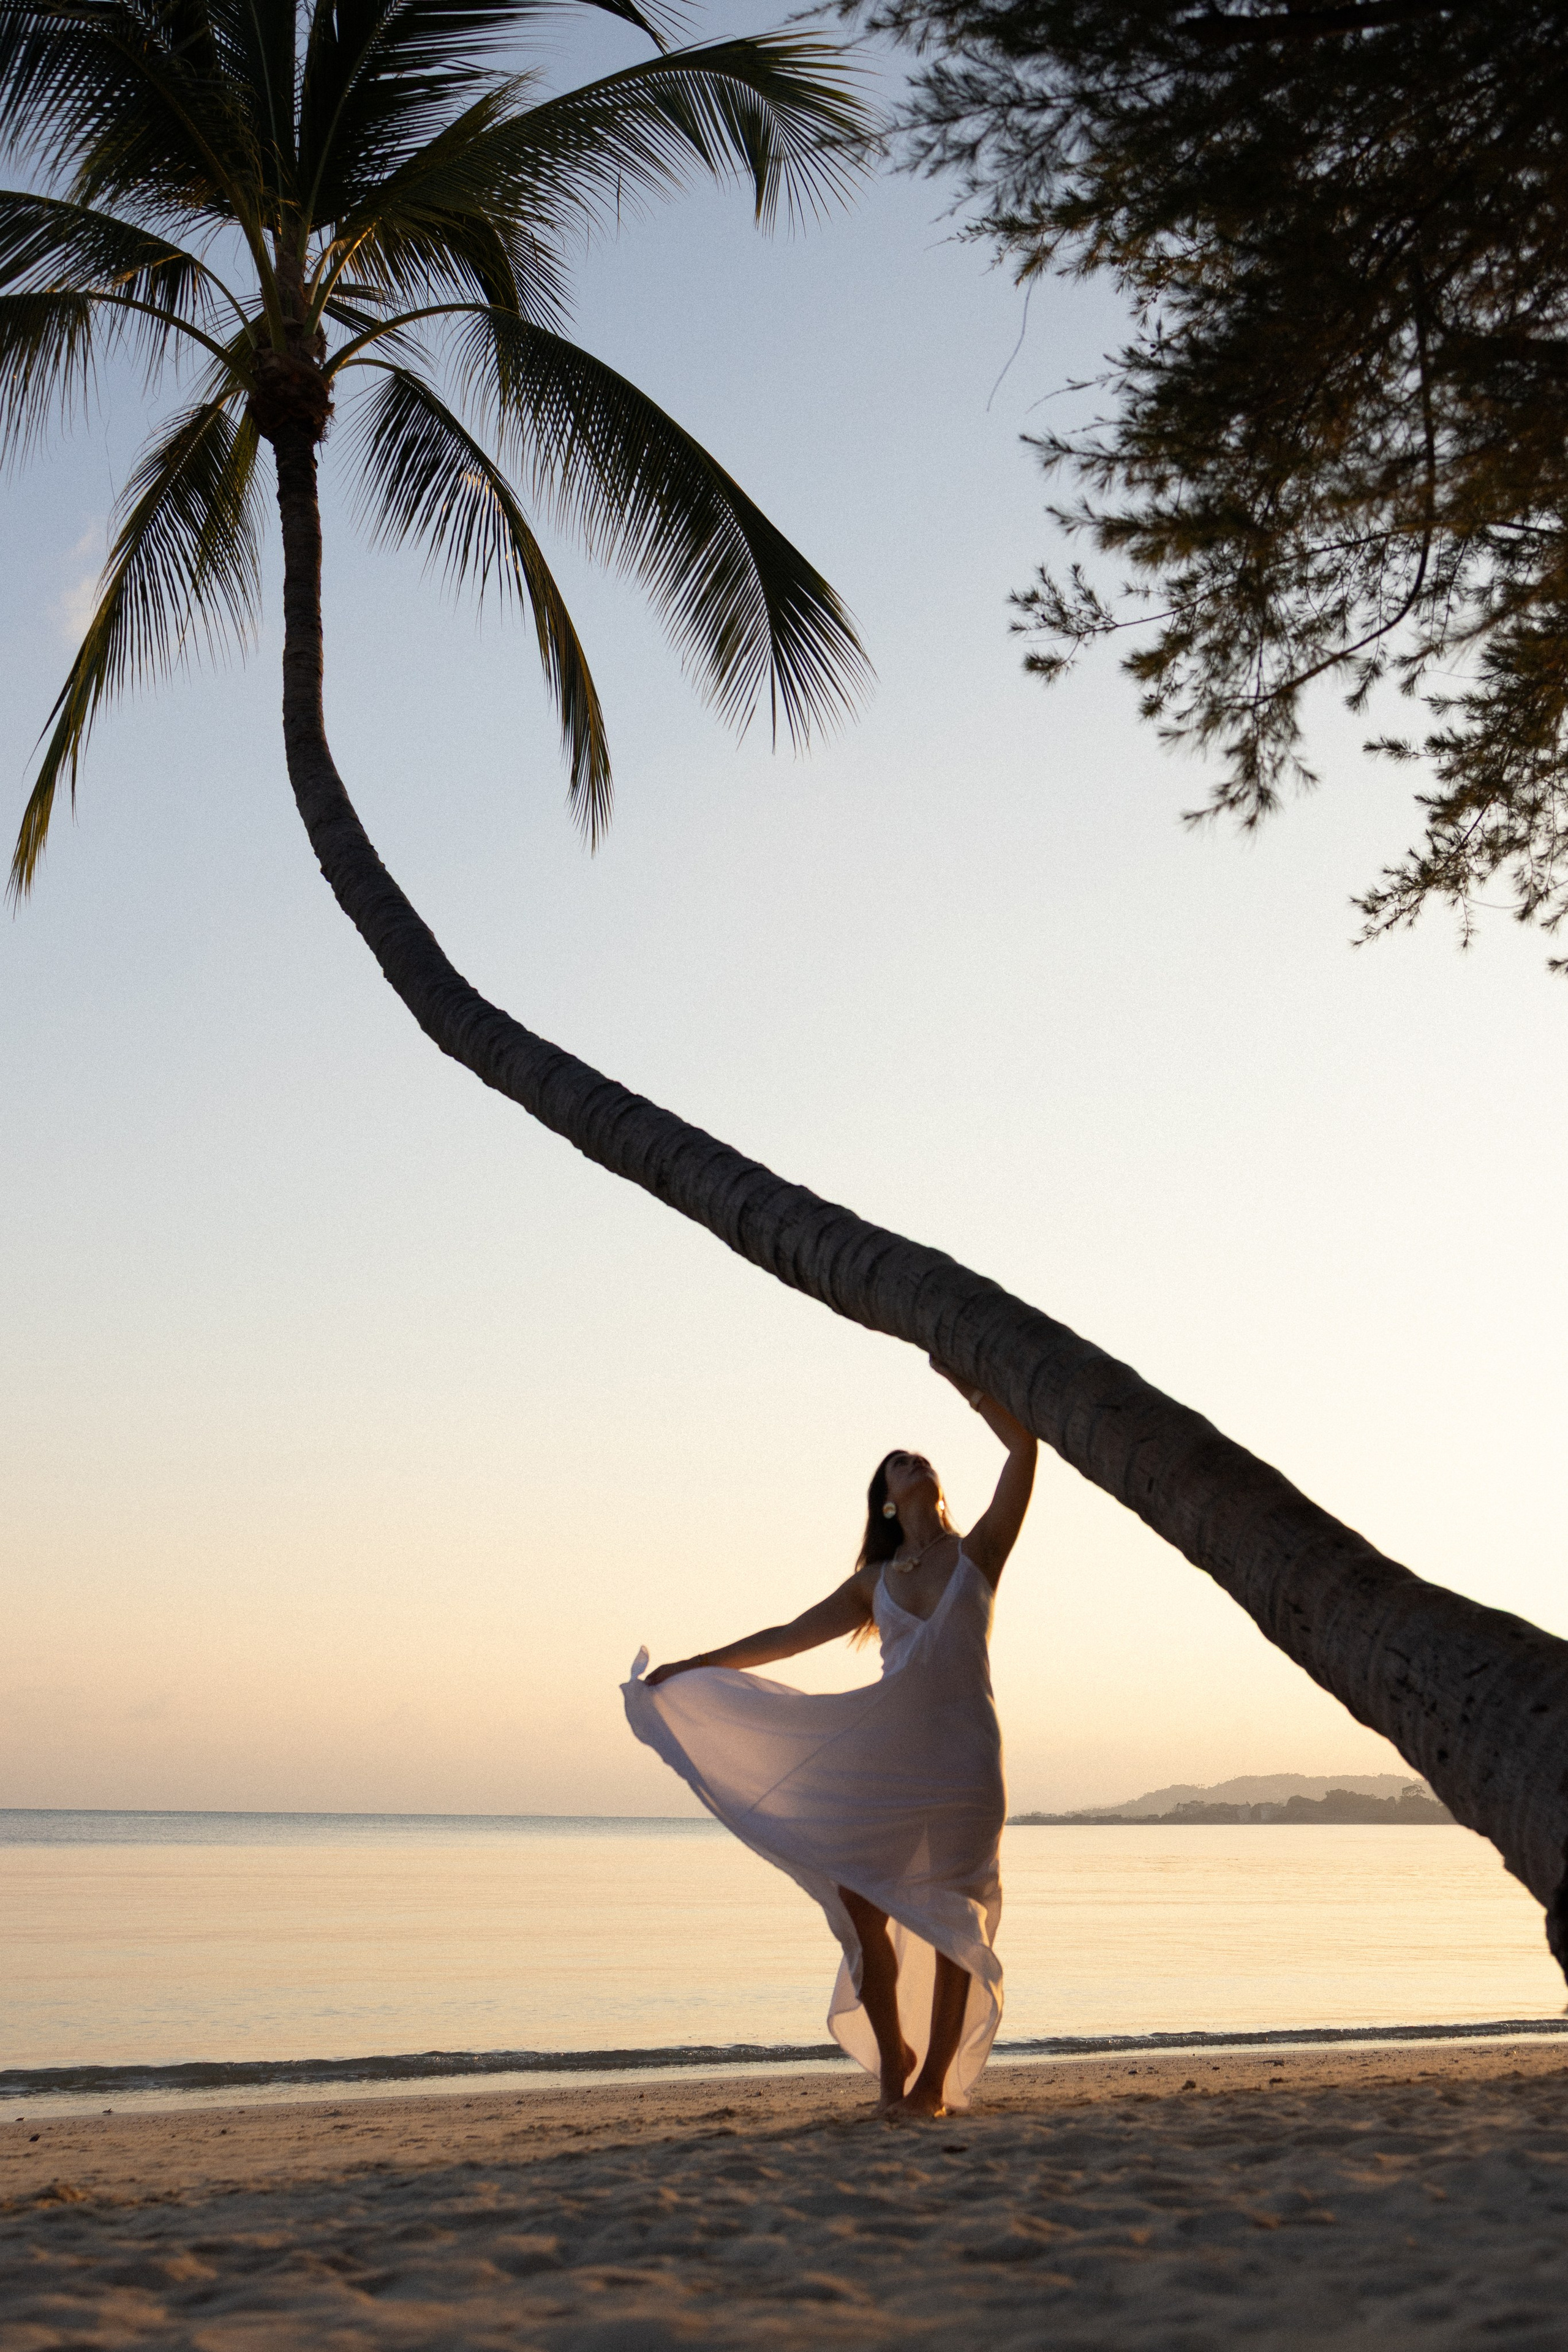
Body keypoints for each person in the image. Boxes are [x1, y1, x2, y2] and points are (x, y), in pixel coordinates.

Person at [622, 1360, 1038, 2117]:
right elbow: (785, 1638)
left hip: (967, 1760)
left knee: (953, 1918)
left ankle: (929, 2086)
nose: (916, 1458)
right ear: (885, 1498)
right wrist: (694, 1665)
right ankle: (892, 2065)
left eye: (922, 1456)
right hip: (889, 1762)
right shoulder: (872, 1584)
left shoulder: (978, 1552)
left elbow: (1024, 1454)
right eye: (898, 1461)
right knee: (857, 1900)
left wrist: (969, 1383)